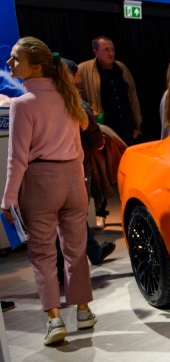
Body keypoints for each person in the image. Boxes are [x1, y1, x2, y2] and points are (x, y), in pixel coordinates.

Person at [2, 37, 98, 346]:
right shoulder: (67, 97)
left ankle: (55, 319)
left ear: (37, 66)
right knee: (76, 248)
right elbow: (77, 148)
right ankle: (83, 310)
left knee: (42, 253)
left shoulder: (22, 104)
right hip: (73, 178)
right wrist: (79, 179)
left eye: (15, 59)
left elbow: (17, 157)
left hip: (41, 181)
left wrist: (8, 198)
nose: (9, 64)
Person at [78, 36, 141, 229]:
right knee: (101, 172)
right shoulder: (85, 70)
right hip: (104, 128)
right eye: (106, 49)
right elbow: (79, 98)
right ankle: (100, 212)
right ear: (95, 51)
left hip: (125, 126)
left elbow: (132, 95)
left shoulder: (121, 68)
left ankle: (135, 208)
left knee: (130, 169)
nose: (111, 53)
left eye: (112, 49)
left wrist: (136, 122)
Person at [58, 58, 115, 270]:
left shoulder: (45, 102)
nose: (80, 79)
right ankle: (85, 256)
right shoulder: (76, 105)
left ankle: (89, 252)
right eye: (76, 74)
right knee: (77, 213)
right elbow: (95, 138)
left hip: (50, 171)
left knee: (63, 217)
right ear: (70, 76)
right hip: (78, 167)